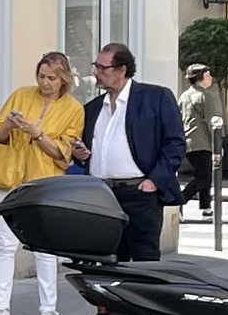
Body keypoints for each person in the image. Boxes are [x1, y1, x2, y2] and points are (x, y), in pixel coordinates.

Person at [0, 52, 85, 315]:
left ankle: (48, 313)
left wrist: (37, 134)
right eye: (41, 76)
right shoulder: (21, 95)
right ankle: (0, 309)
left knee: (45, 250)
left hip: (45, 182)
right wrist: (9, 126)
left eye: (52, 78)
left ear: (64, 80)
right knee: (4, 245)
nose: (45, 83)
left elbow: (64, 154)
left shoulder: (73, 109)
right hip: (10, 180)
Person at [73, 42, 186, 261]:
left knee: (144, 260)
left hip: (139, 192)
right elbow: (90, 150)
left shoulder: (155, 98)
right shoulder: (93, 107)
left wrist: (154, 180)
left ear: (122, 70)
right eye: (95, 66)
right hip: (103, 194)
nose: (96, 73)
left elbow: (175, 144)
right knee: (109, 259)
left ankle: (145, 296)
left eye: (102, 68)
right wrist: (82, 155)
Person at [178, 64, 218, 216]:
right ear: (200, 79)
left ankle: (206, 207)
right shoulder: (205, 96)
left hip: (188, 139)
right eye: (207, 76)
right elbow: (211, 121)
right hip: (202, 141)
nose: (210, 78)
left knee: (204, 174)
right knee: (203, 176)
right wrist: (217, 143)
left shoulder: (184, 96)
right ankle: (180, 200)